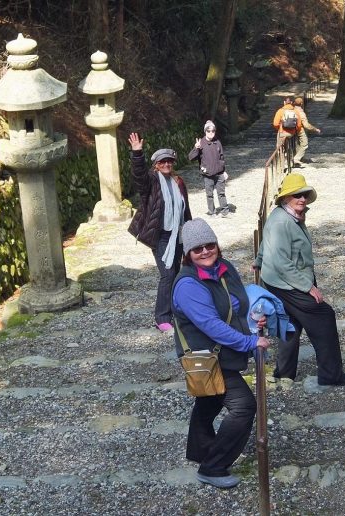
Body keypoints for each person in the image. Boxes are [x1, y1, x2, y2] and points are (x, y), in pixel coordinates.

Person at [172, 218, 270, 489]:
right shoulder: (188, 285)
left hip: (222, 351)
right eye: (197, 248)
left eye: (209, 245)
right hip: (208, 355)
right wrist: (250, 342)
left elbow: (237, 304)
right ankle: (213, 467)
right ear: (188, 254)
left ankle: (201, 451)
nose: (205, 251)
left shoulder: (224, 268)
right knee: (243, 406)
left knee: (210, 399)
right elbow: (211, 325)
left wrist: (252, 320)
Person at [254, 173, 345, 386]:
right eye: (297, 195)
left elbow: (266, 241)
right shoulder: (282, 221)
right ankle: (331, 375)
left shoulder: (287, 215)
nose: (302, 199)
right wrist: (308, 287)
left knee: (291, 322)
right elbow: (281, 262)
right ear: (285, 197)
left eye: (304, 195)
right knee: (324, 316)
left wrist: (260, 259)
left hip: (283, 279)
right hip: (285, 282)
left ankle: (284, 373)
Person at [127, 132, 192, 332]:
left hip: (177, 234)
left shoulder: (178, 182)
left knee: (177, 272)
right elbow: (139, 177)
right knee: (167, 274)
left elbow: (185, 209)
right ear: (156, 165)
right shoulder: (152, 181)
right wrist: (137, 153)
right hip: (160, 235)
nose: (166, 164)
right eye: (162, 162)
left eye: (169, 161)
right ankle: (161, 317)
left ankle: (176, 311)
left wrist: (190, 233)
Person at [188, 120, 229, 218]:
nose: (211, 133)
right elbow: (191, 158)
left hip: (219, 173)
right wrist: (196, 148)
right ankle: (212, 212)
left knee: (221, 193)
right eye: (208, 131)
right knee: (209, 195)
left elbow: (222, 158)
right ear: (205, 131)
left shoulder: (217, 142)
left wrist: (224, 171)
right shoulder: (200, 143)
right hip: (208, 174)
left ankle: (225, 212)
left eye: (213, 131)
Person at [292, 96, 321, 165]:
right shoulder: (300, 112)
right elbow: (306, 125)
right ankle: (296, 159)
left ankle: (300, 158)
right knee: (304, 144)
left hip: (292, 130)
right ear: (301, 103)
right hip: (300, 130)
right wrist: (315, 129)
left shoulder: (292, 110)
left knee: (297, 145)